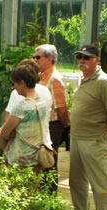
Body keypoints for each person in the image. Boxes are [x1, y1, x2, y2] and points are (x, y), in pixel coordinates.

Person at [69, 44, 107, 210]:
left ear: (97, 60)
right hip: (77, 137)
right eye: (79, 57)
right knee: (76, 179)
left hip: (93, 139)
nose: (82, 60)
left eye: (86, 57)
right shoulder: (84, 79)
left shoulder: (104, 83)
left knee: (100, 181)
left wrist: (101, 127)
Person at [0, 63, 51, 169]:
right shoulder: (42, 103)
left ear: (22, 83)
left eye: (14, 83)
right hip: (37, 157)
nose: (13, 87)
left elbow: (5, 133)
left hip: (21, 159)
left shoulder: (21, 107)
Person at [34, 44, 71, 181]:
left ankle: (50, 192)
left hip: (53, 125)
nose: (35, 60)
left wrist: (65, 126)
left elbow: (61, 107)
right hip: (43, 124)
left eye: (38, 57)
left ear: (49, 59)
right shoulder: (41, 76)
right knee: (42, 160)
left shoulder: (54, 79)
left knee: (49, 160)